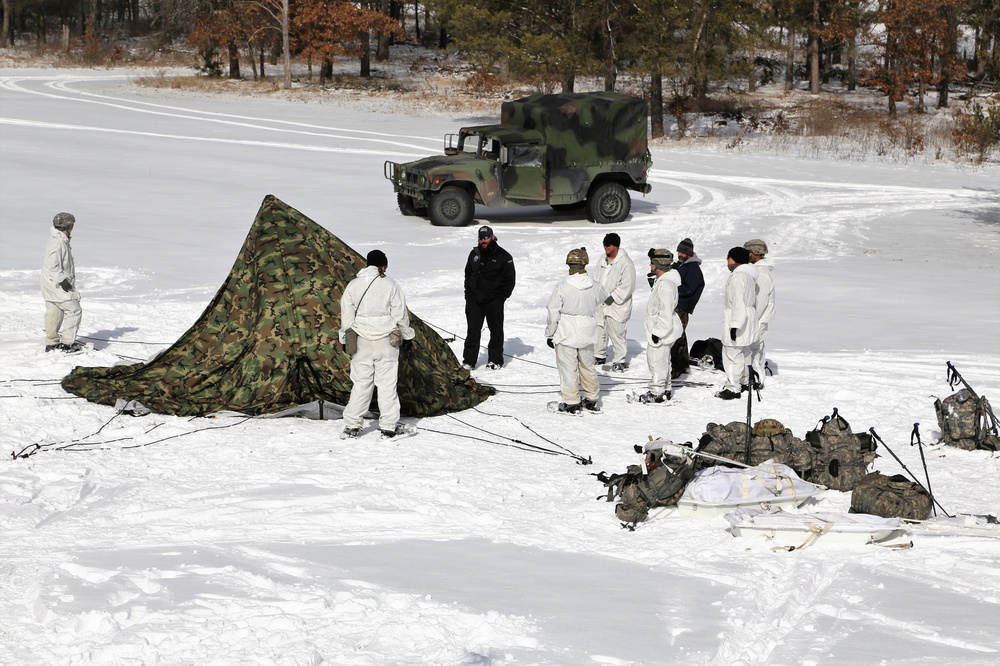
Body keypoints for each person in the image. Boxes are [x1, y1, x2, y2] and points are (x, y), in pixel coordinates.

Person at [339, 249, 416, 438]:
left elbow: (346, 318)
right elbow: (400, 316)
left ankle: (352, 425)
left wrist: (344, 339)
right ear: (382, 266)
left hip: (362, 342)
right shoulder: (391, 285)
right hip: (386, 342)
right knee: (387, 385)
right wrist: (408, 336)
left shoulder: (353, 285)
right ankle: (389, 427)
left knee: (361, 384)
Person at [545, 247, 608, 413]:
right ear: (585, 264)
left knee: (568, 368)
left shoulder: (562, 286)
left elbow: (553, 313)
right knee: (587, 366)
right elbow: (608, 299)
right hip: (587, 332)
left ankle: (571, 401)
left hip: (566, 332)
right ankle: (591, 398)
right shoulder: (595, 286)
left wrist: (550, 334)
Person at [463, 225, 516, 370]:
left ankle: (495, 360)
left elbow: (510, 280)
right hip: (474, 300)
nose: (483, 241)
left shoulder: (504, 257)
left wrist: (501, 297)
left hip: (494, 300)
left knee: (496, 331)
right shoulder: (474, 254)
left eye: (486, 237)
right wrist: (468, 293)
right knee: (472, 331)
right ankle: (469, 361)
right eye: (481, 238)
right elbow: (468, 274)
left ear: (492, 237)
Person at [640, 248, 685, 403]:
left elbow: (665, 311)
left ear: (658, 264)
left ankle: (657, 392)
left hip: (661, 328)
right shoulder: (664, 282)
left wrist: (658, 331)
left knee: (656, 360)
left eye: (652, 262)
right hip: (661, 325)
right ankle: (665, 388)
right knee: (662, 359)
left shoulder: (665, 284)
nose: (650, 265)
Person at [717, 246, 759, 400]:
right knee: (745, 352)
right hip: (747, 319)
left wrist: (735, 325)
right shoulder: (748, 276)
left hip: (738, 319)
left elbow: (738, 304)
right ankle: (745, 381)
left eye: (728, 257)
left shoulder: (737, 277)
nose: (726, 260)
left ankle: (733, 388)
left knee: (732, 354)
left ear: (735, 259)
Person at [41, 212, 83, 353]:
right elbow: (53, 265)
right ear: (69, 226)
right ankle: (67, 344)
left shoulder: (58, 239)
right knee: (74, 310)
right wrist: (63, 281)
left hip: (49, 282)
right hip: (57, 283)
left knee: (54, 310)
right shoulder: (58, 242)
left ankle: (52, 343)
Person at [594, 232, 636, 372]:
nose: (606, 247)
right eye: (604, 244)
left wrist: (612, 298)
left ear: (616, 246)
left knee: (617, 333)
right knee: (600, 329)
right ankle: (599, 355)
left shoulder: (626, 263)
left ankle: (620, 360)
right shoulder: (602, 260)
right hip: (601, 302)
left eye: (609, 244)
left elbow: (627, 286)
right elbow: (596, 279)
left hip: (617, 305)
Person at [670, 237, 705, 378]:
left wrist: (673, 288)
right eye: (679, 251)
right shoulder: (681, 265)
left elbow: (689, 289)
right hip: (678, 306)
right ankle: (682, 366)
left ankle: (677, 368)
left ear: (689, 253)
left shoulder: (693, 268)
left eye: (683, 253)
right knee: (680, 337)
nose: (680, 254)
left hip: (682, 308)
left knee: (676, 338)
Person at [745, 239, 775, 389]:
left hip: (758, 319)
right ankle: (754, 377)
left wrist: (752, 319)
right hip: (756, 319)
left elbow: (760, 301)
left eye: (747, 252)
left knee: (755, 351)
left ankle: (757, 379)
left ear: (755, 253)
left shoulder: (761, 274)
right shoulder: (757, 271)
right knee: (755, 350)